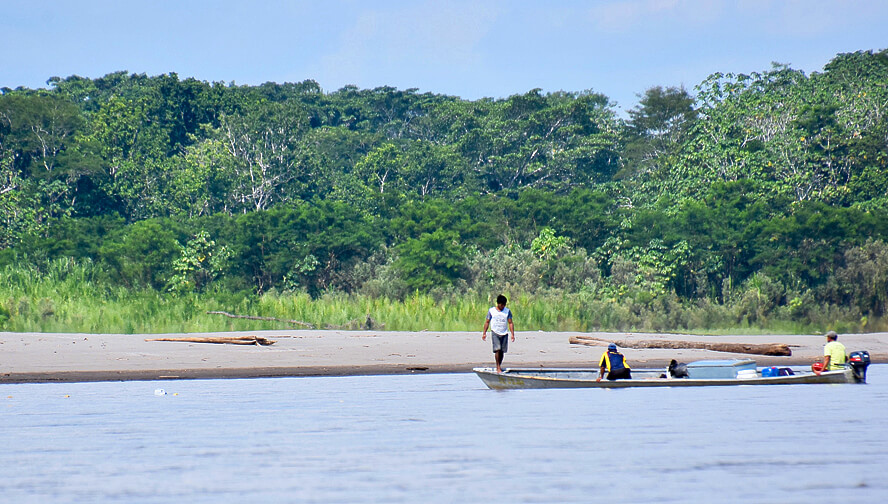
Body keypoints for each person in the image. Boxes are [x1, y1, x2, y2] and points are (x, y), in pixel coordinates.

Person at [481, 294, 515, 373]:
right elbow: (487, 322)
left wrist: (512, 334)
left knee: (502, 351)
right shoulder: (492, 311)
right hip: (495, 332)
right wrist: (484, 333)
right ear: (498, 303)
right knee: (497, 349)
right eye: (501, 304)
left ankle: (499, 364)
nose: (503, 306)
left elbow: (510, 323)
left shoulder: (507, 311)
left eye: (504, 305)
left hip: (504, 333)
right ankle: (498, 367)